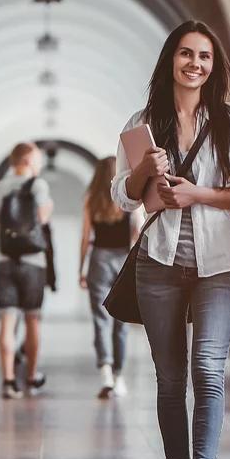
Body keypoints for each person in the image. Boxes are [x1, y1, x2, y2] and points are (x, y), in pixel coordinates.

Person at [111, 20, 230, 459]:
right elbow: (123, 197)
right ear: (170, 60)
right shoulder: (142, 122)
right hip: (159, 263)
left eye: (204, 56)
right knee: (171, 377)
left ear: (214, 66)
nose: (194, 64)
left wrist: (196, 194)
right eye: (185, 54)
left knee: (209, 369)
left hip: (219, 264)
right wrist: (144, 169)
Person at [0, 143, 53, 400]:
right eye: (37, 160)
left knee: (7, 320)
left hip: (2, 260)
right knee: (32, 319)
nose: (39, 165)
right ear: (26, 160)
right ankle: (32, 377)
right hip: (33, 261)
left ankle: (8, 381)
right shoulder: (38, 185)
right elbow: (43, 219)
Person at [78, 156, 138, 398]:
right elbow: (138, 232)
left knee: (100, 320)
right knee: (121, 323)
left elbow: (85, 239)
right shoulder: (129, 199)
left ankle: (105, 372)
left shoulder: (91, 199)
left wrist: (80, 269)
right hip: (123, 260)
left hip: (98, 261)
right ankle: (119, 376)